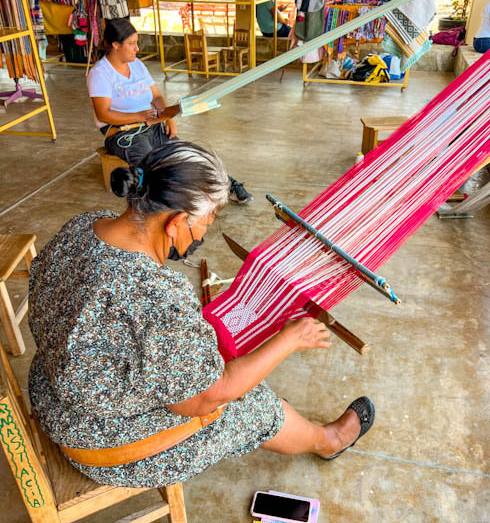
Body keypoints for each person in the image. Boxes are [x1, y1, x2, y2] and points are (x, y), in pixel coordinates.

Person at [28, 140, 375, 489]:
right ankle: (327, 441)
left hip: (54, 394)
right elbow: (205, 398)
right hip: (101, 439)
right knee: (252, 403)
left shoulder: (82, 227)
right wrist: (290, 339)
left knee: (232, 375)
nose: (203, 233)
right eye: (205, 224)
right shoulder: (159, 299)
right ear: (177, 222)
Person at [87, 18, 252, 204]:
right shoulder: (100, 73)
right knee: (157, 167)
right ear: (116, 45)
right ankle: (191, 199)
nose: (137, 48)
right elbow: (104, 114)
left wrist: (167, 117)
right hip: (124, 133)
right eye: (132, 44)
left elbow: (156, 97)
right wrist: (139, 116)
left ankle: (226, 185)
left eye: (136, 43)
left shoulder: (137, 65)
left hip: (152, 124)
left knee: (188, 153)